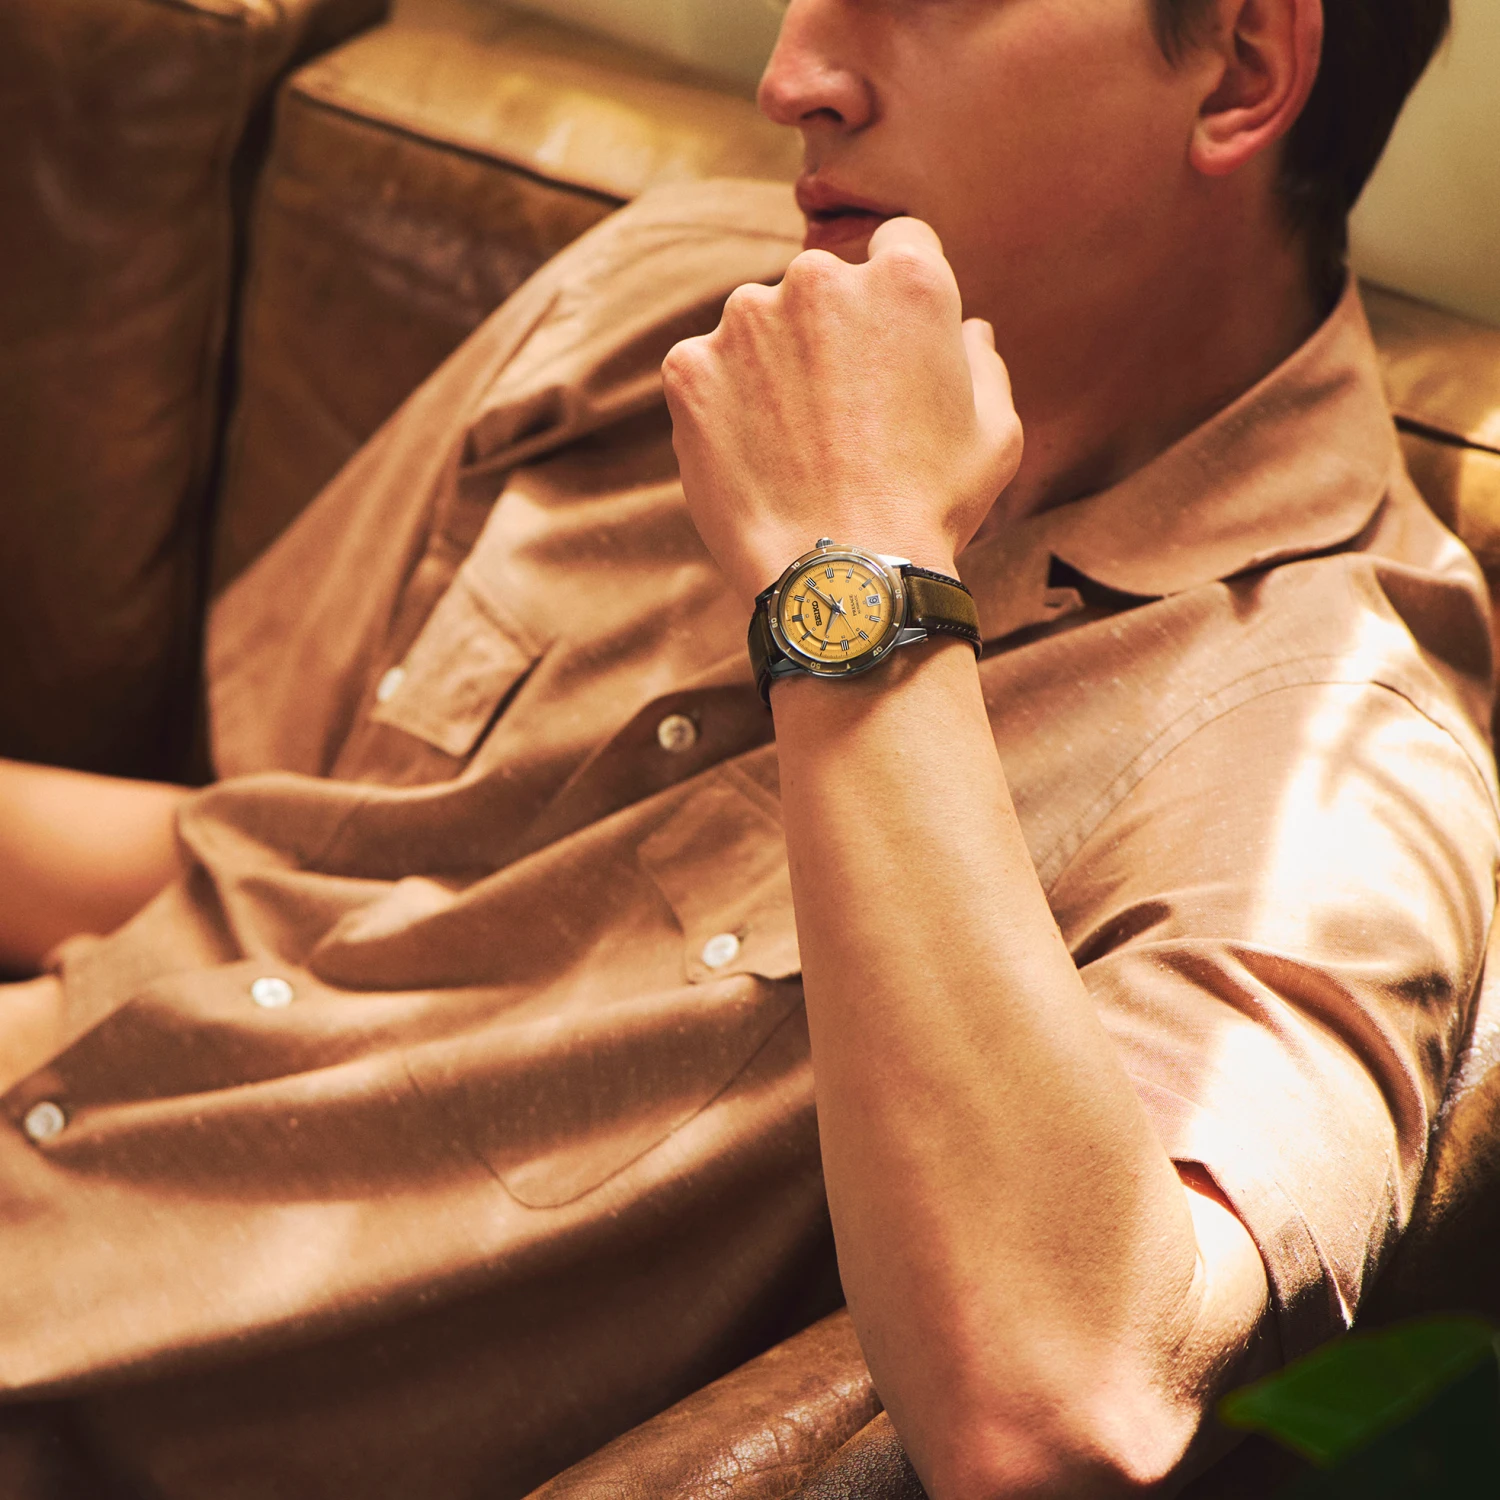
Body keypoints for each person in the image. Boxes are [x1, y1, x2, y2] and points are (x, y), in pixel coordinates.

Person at [0, 0, 1489, 1494]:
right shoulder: (678, 301)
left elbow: (1064, 1405)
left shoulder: (1330, 755)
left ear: (1242, 68)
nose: (791, 80)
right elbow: (270, 867)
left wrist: (851, 578)